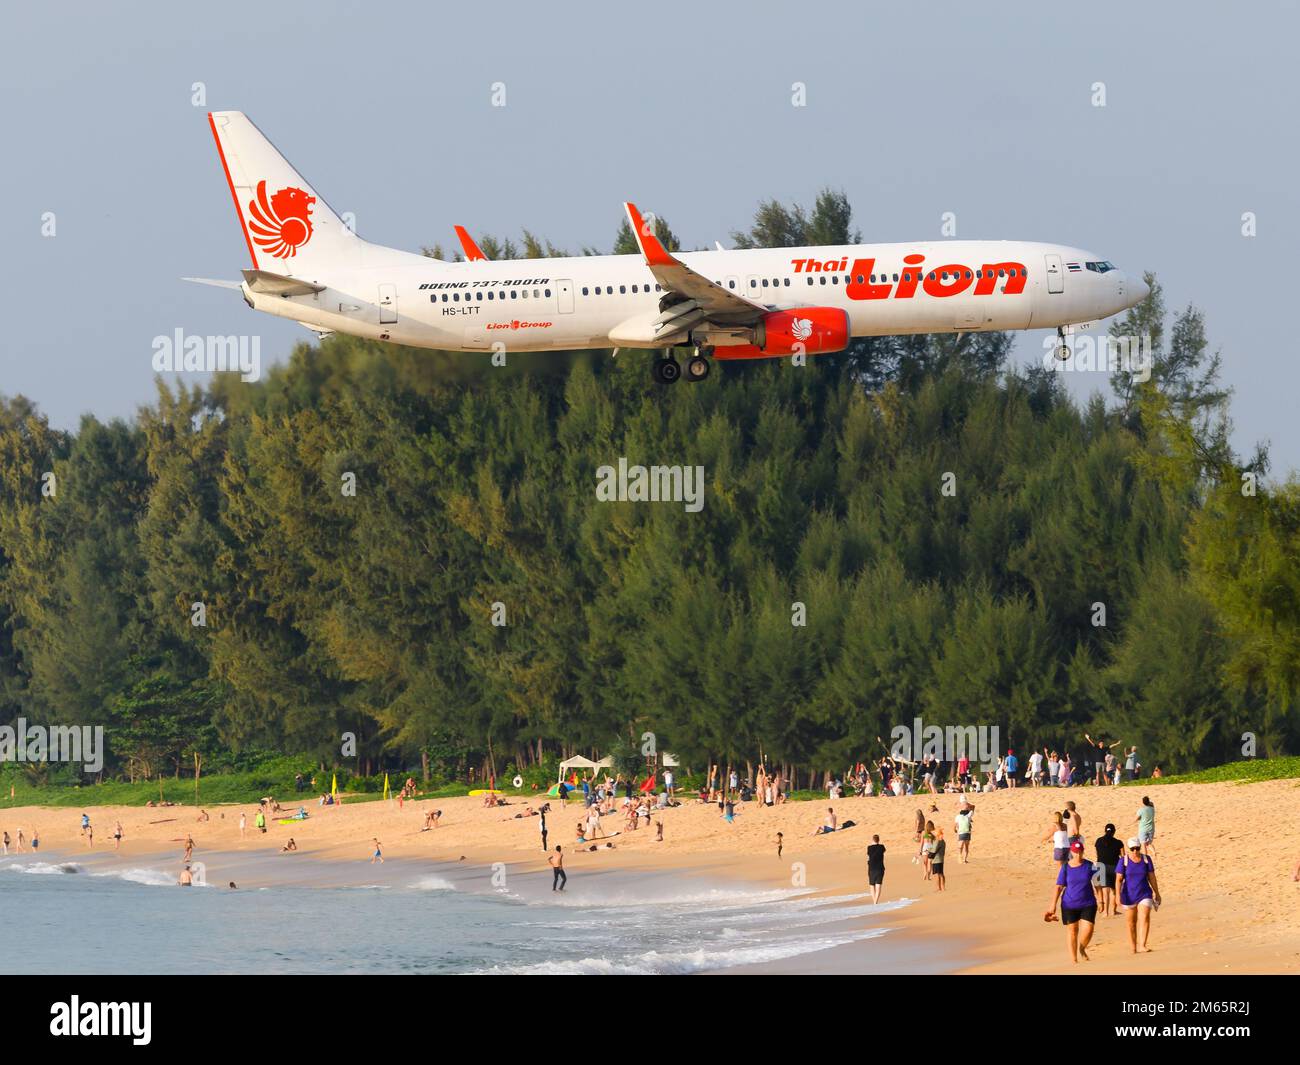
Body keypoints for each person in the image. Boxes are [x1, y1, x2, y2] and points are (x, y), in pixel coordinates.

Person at [1046, 839, 1099, 962]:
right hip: (1069, 903)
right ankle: (1074, 959)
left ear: (1083, 851)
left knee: (1089, 928)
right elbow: (1059, 886)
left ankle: (1082, 948)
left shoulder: (1090, 865)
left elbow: (1097, 883)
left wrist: (1101, 899)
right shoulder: (1065, 867)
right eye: (1076, 852)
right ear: (1071, 852)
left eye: (1080, 851)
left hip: (1088, 902)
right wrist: (1052, 905)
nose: (1078, 854)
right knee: (1073, 931)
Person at [1116, 838, 1161, 953]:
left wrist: (1157, 893)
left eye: (1137, 848)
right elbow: (1119, 879)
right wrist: (1117, 896)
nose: (1135, 851)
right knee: (1131, 922)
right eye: (1132, 849)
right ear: (1128, 849)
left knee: (1145, 917)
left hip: (1144, 893)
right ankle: (1133, 947)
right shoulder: (1123, 861)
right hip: (1128, 895)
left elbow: (1152, 877)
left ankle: (1142, 945)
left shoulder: (1146, 859)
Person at [1093, 823, 1123, 917]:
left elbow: (1097, 854)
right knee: (1114, 890)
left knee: (1105, 890)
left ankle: (1105, 912)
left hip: (1101, 865)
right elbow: (1123, 857)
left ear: (1105, 831)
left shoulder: (1098, 841)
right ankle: (1113, 911)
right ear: (1114, 832)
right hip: (1115, 866)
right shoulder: (1118, 842)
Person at [867, 835, 887, 904]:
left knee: (872, 885)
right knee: (878, 885)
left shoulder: (869, 848)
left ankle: (874, 901)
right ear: (878, 840)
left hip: (871, 868)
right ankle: (876, 901)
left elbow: (869, 854)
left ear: (872, 840)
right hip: (880, 868)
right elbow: (884, 851)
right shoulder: (881, 847)